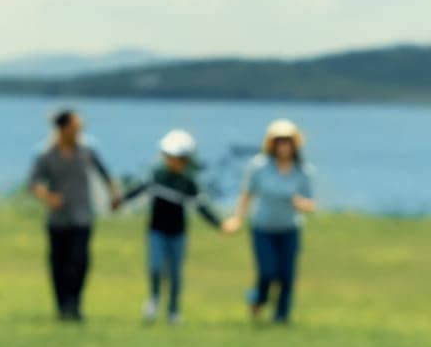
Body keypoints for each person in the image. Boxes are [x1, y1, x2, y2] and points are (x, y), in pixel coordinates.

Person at [121, 129, 226, 324]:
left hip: (178, 233)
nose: (173, 161)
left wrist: (220, 224)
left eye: (178, 158)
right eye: (170, 157)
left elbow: (202, 208)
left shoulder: (188, 182)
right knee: (156, 266)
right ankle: (153, 301)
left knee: (175, 273)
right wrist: (119, 200)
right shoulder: (157, 175)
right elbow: (136, 191)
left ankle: (173, 310)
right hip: (156, 231)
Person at [28, 109, 121, 321]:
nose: (79, 131)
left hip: (82, 216)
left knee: (79, 261)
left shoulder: (87, 150)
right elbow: (33, 183)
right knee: (59, 264)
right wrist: (48, 197)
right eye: (75, 128)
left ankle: (75, 304)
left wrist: (114, 194)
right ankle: (62, 306)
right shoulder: (46, 154)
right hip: (58, 219)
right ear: (62, 129)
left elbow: (105, 172)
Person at [222, 119, 316, 324]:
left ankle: (281, 317)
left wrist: (302, 204)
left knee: (286, 276)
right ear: (272, 144)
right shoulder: (259, 166)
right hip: (263, 228)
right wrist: (237, 219)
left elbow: (310, 203)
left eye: (287, 141)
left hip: (289, 228)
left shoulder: (303, 171)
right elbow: (247, 195)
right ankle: (257, 301)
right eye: (280, 141)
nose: (284, 146)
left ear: (294, 144)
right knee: (267, 272)